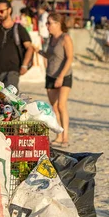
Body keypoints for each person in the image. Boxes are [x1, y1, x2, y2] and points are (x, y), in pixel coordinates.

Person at [0, 0, 34, 88]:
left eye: (1, 11)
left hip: (12, 71)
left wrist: (24, 65)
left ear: (9, 10)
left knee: (9, 99)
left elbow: (30, 48)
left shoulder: (18, 28)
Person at [42, 13, 73, 148]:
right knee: (54, 107)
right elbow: (50, 55)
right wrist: (37, 51)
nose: (47, 26)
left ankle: (65, 137)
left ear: (58, 24)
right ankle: (58, 135)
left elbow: (70, 58)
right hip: (50, 75)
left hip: (64, 75)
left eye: (49, 23)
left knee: (61, 105)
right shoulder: (51, 39)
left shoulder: (65, 38)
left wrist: (61, 76)